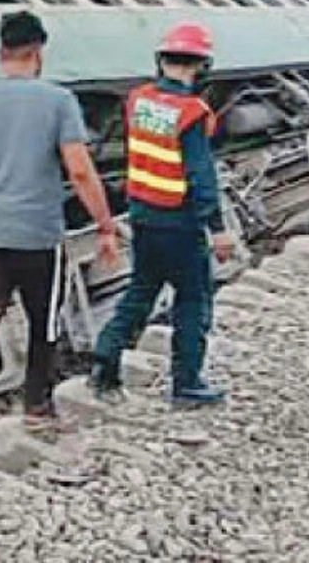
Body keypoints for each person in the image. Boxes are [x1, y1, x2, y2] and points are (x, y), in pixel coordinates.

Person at [0, 10, 120, 463]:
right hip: (39, 237)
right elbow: (79, 169)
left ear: (0, 52)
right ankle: (37, 408)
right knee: (44, 323)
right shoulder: (59, 101)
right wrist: (105, 225)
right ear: (38, 53)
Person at [90, 22, 236, 406]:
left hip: (142, 216)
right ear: (200, 66)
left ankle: (106, 356)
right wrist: (218, 229)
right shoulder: (192, 112)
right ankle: (186, 384)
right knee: (193, 300)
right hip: (180, 223)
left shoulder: (139, 99)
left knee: (140, 291)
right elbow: (201, 176)